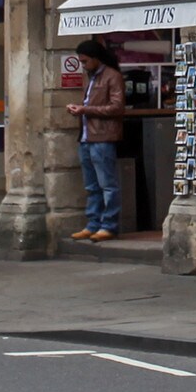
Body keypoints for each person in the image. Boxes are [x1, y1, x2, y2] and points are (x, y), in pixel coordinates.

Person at [67, 39, 125, 243]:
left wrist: (85, 110)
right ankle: (93, 224)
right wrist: (81, 109)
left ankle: (109, 225)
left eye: (85, 61)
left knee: (107, 184)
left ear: (95, 58)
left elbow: (117, 107)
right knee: (92, 186)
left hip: (102, 136)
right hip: (87, 136)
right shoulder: (91, 77)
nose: (83, 65)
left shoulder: (112, 76)